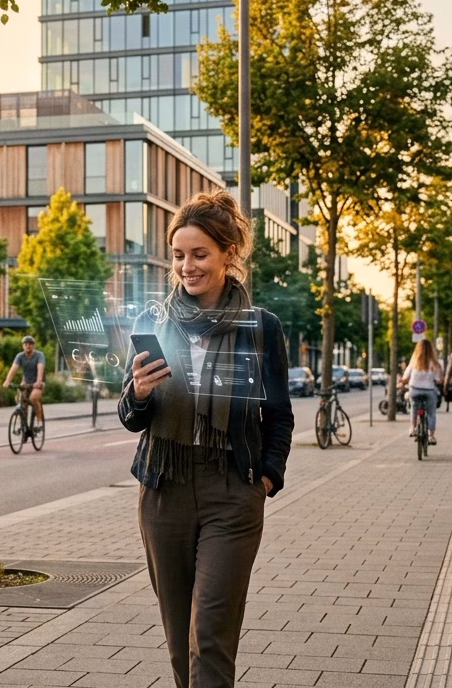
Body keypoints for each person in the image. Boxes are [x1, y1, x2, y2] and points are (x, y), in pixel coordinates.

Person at [119, 191, 293, 688]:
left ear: (228, 253)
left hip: (231, 492)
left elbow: (278, 415)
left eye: (199, 254)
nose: (187, 267)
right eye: (178, 255)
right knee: (179, 641)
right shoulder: (150, 323)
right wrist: (139, 392)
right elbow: (131, 418)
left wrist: (266, 477)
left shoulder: (260, 328)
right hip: (162, 488)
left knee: (210, 635)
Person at [402, 338, 443, 445]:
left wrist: (403, 382)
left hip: (414, 390)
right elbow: (439, 380)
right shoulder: (434, 363)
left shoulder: (414, 362)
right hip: (429, 391)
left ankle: (413, 428)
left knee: (414, 407)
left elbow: (405, 377)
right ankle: (431, 435)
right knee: (431, 412)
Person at [3, 336, 45, 423]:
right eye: (25, 344)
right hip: (26, 382)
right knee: (21, 400)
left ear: (33, 346)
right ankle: (24, 424)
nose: (28, 346)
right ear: (23, 346)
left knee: (33, 398)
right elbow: (14, 368)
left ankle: (39, 416)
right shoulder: (20, 356)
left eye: (30, 344)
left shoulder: (39, 355)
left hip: (37, 383)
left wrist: (38, 381)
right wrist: (7, 381)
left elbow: (40, 368)